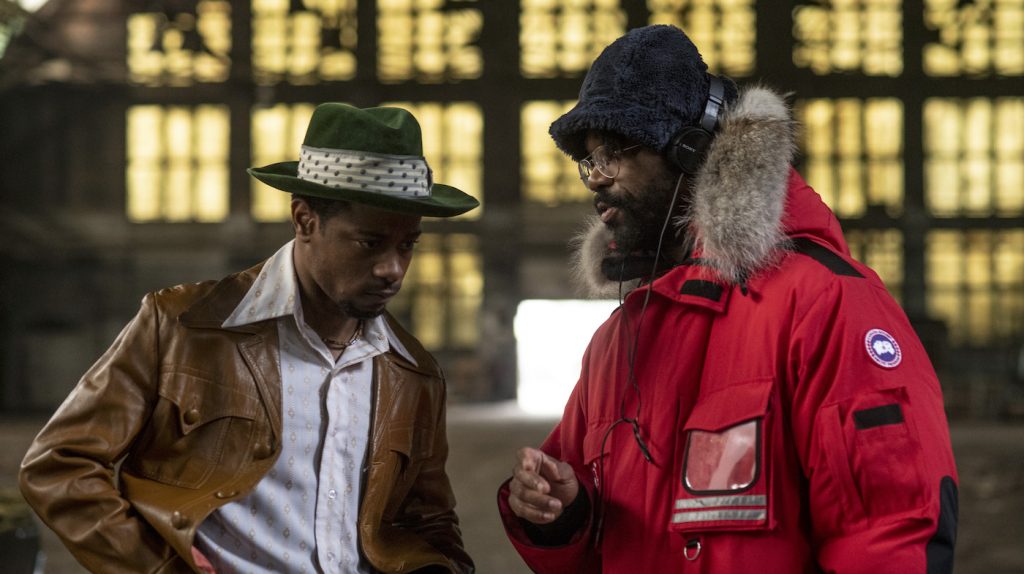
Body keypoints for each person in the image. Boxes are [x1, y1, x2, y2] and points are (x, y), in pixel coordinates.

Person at [498, 24, 958, 573]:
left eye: (619, 149)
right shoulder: (616, 344)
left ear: (693, 152)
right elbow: (603, 541)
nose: (597, 178)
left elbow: (890, 534)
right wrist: (563, 514)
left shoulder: (825, 303)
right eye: (591, 160)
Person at [20, 103, 478, 573]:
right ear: (304, 220)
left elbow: (431, 525)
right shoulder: (182, 327)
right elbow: (59, 464)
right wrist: (156, 567)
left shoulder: (414, 373)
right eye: (369, 243)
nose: (392, 270)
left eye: (407, 245)